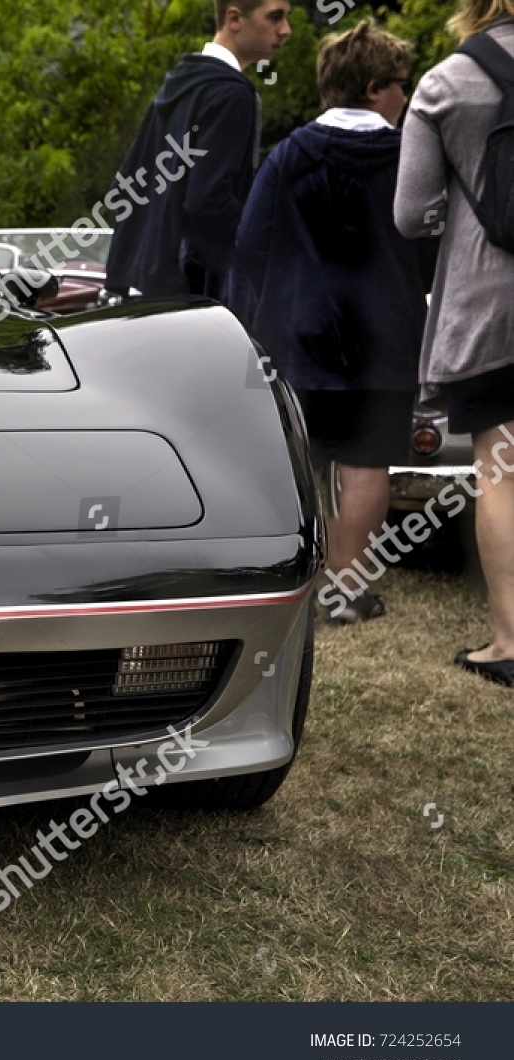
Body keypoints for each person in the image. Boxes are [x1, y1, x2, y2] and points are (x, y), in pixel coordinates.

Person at [231, 19, 423, 625]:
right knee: (367, 462)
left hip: (299, 334)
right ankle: (349, 593)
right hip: (385, 336)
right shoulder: (407, 155)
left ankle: (300, 587)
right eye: (400, 83)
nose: (407, 96)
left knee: (302, 462)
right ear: (372, 87)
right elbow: (430, 243)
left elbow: (249, 242)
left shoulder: (289, 154)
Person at [395, 0, 514, 685]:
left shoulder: (445, 82)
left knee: (501, 472)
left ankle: (507, 643)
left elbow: (411, 215)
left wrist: (469, 209)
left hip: (490, 309)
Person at [104, 1, 293, 300]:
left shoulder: (180, 82)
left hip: (137, 281)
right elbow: (207, 202)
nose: (286, 30)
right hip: (186, 297)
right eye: (275, 17)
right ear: (234, 18)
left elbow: (126, 184)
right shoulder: (232, 94)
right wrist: (268, 240)